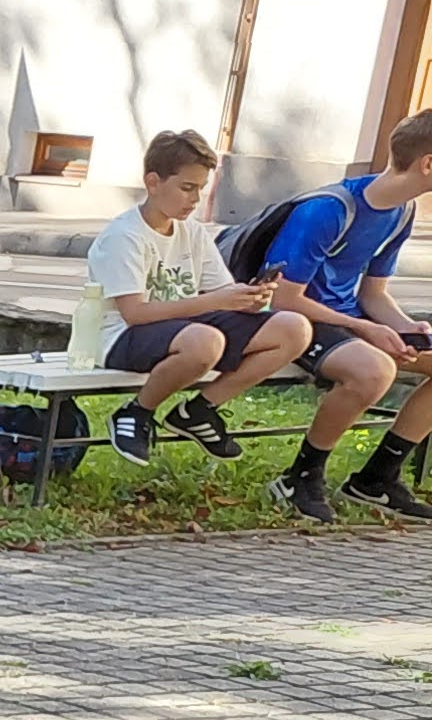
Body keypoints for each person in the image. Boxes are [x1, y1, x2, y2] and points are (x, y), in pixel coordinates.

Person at [72, 128, 316, 468]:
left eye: (201, 189)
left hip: (186, 329)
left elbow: (219, 293)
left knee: (294, 329)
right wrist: (217, 302)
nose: (195, 199)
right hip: (119, 337)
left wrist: (250, 298)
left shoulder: (191, 231)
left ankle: (198, 411)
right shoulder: (124, 236)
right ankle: (136, 412)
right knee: (205, 342)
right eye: (187, 188)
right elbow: (134, 314)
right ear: (153, 182)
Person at [243, 107, 432, 522]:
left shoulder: (402, 212)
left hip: (344, 321)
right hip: (296, 323)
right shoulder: (327, 210)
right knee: (374, 371)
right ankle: (299, 478)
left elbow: (373, 294)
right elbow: (282, 299)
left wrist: (404, 326)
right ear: (427, 164)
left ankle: (377, 479)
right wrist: (364, 328)